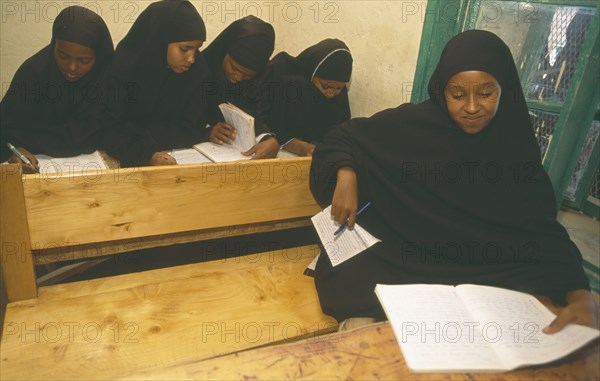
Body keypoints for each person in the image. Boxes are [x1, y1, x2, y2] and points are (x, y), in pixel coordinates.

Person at [309, 30, 598, 332]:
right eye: (457, 95)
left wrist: (581, 295)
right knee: (355, 296)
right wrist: (345, 172)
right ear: (441, 90)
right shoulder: (412, 126)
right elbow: (341, 137)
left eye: (486, 94)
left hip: (481, 271)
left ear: (505, 89)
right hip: (405, 259)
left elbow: (542, 232)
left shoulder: (514, 147)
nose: (472, 107)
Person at [0, 5, 114, 172]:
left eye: (84, 61)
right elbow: (7, 129)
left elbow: (108, 130)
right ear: (54, 46)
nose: (72, 67)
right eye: (63, 56)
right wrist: (15, 149)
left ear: (98, 56)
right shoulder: (33, 74)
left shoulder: (107, 78)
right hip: (35, 166)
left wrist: (29, 140)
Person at [102, 0, 210, 167]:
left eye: (197, 49)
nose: (191, 59)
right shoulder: (125, 67)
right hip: (132, 157)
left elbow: (193, 126)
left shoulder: (198, 69)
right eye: (185, 49)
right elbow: (110, 129)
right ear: (161, 39)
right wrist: (147, 154)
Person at [261, 39, 353, 156]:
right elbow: (264, 119)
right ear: (312, 73)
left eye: (338, 88)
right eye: (326, 86)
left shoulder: (339, 95)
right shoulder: (282, 74)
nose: (331, 93)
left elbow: (339, 132)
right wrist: (296, 145)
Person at [202, 15, 277, 159]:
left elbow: (259, 114)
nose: (237, 78)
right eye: (234, 68)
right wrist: (207, 131)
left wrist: (268, 140)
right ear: (225, 50)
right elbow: (184, 117)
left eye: (247, 76)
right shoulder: (200, 68)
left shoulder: (264, 76)